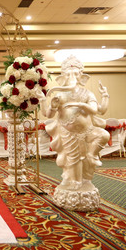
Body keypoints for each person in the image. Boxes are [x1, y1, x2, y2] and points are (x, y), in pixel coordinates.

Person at [44, 56, 110, 191]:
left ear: (81, 76)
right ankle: (75, 181)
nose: (72, 76)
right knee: (74, 159)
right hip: (67, 131)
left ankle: (92, 157)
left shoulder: (87, 93)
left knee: (103, 135)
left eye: (75, 73)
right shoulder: (60, 94)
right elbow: (49, 115)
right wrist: (52, 106)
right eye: (68, 74)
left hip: (88, 130)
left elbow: (100, 110)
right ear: (63, 77)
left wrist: (104, 96)